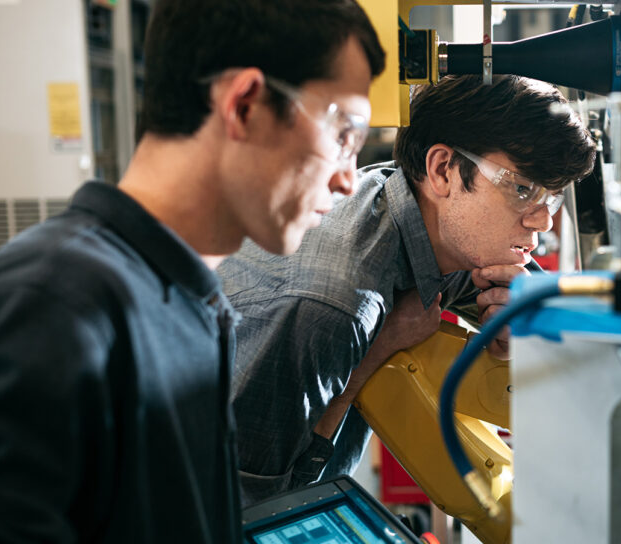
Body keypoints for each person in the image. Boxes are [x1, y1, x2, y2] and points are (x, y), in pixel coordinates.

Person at [0, 0, 384, 544]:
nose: (349, 178)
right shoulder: (49, 310)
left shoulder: (188, 302)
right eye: (345, 134)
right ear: (244, 104)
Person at [219, 74, 597, 506]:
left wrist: (521, 306)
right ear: (443, 171)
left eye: (551, 198)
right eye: (523, 189)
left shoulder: (424, 216)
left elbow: (508, 288)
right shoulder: (333, 307)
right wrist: (377, 352)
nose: (543, 222)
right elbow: (255, 512)